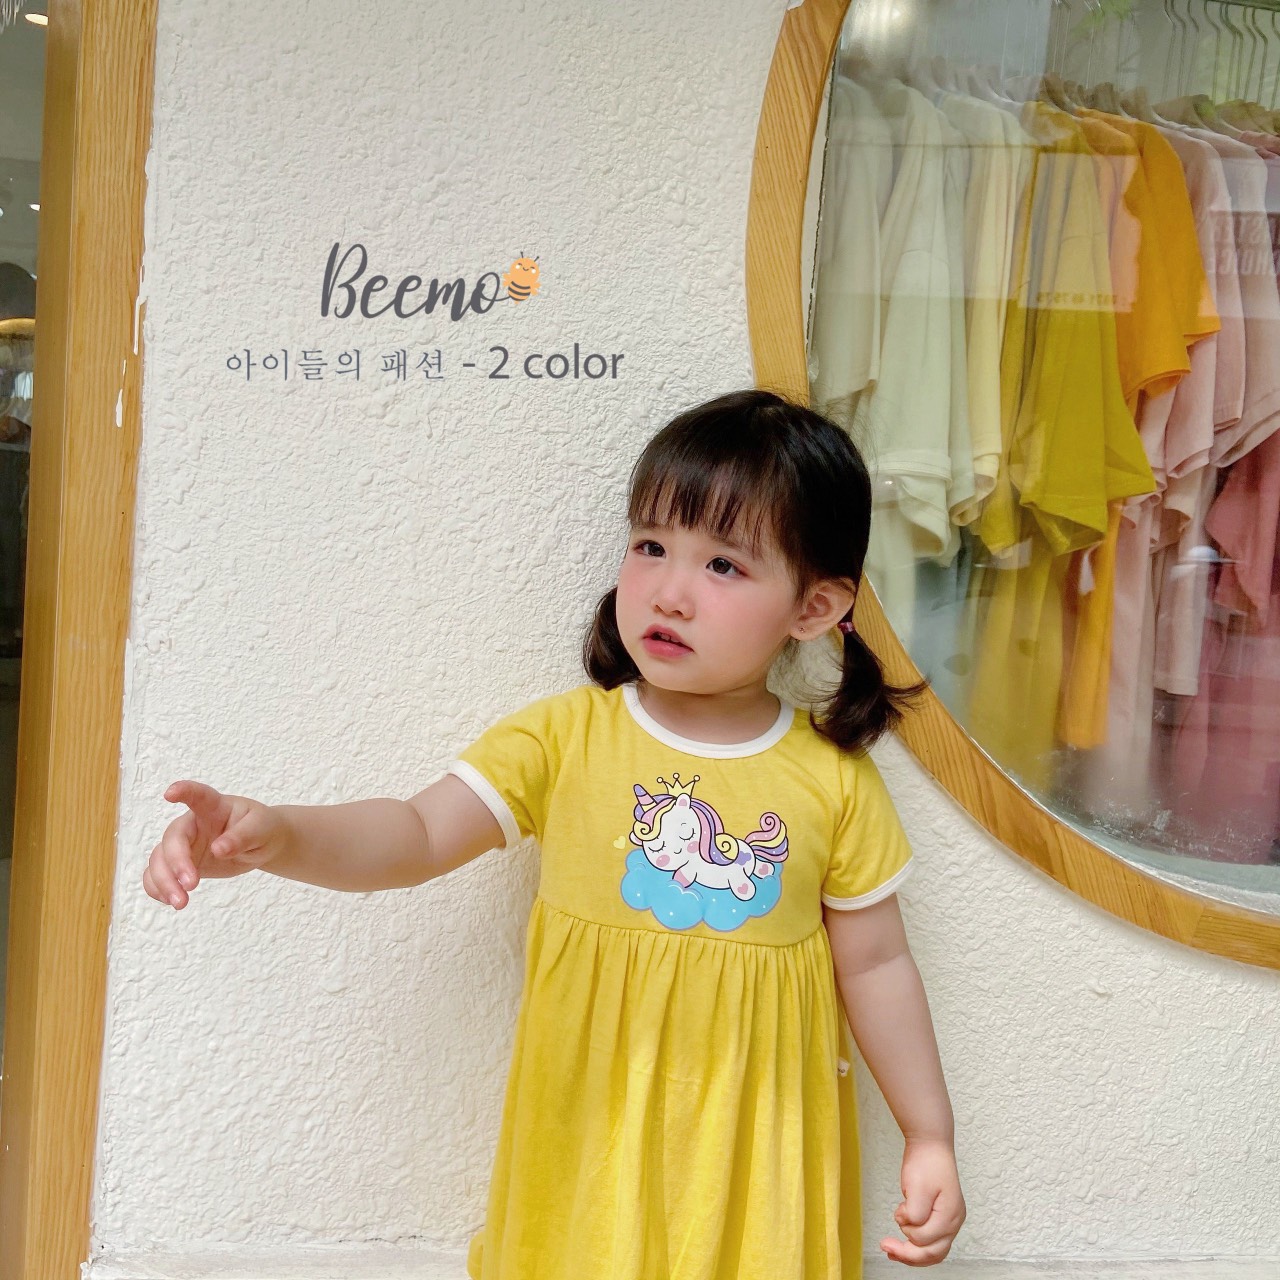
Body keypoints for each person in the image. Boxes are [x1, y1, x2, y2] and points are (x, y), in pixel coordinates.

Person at [144, 388, 967, 1278]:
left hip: (754, 1156)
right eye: (650, 546)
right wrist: (276, 836)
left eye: (724, 565)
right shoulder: (565, 740)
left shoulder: (832, 781)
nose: (670, 592)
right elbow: (416, 833)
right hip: (586, 1141)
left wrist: (929, 1134)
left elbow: (875, 966)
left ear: (814, 608)